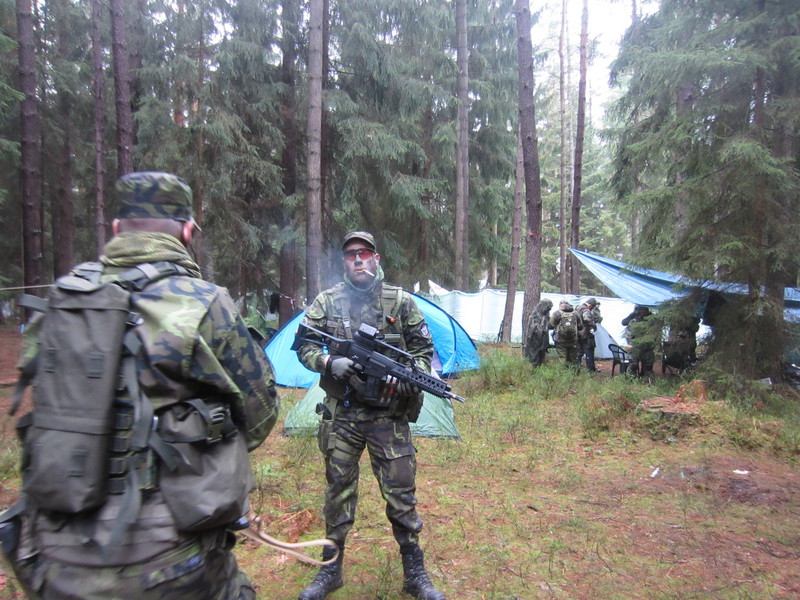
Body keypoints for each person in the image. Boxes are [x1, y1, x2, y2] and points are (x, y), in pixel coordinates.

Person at [9, 172, 281, 599]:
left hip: (54, 551)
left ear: (117, 227)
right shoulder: (202, 301)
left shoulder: (64, 297)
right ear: (187, 232)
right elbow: (261, 415)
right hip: (166, 554)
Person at [295, 231, 446, 600]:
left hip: (388, 416)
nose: (358, 259)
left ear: (376, 258)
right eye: (351, 255)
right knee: (338, 492)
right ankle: (330, 570)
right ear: (344, 262)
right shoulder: (327, 301)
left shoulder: (401, 301)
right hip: (343, 415)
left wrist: (413, 376)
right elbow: (304, 345)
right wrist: (329, 361)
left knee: (401, 494)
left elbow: (424, 351)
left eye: (364, 253)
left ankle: (414, 573)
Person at [622, 304, 655, 376]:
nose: (642, 312)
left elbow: (655, 335)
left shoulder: (651, 320)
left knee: (648, 366)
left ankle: (646, 377)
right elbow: (628, 334)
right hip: (635, 347)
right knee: (633, 365)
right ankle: (632, 378)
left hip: (647, 347)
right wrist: (631, 344)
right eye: (641, 310)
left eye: (644, 310)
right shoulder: (634, 321)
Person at [548, 299, 583, 365]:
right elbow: (581, 326)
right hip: (573, 340)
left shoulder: (557, 313)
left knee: (562, 359)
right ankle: (572, 371)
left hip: (560, 340)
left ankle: (562, 371)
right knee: (573, 359)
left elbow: (550, 326)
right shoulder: (575, 313)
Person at [524, 298, 553, 367]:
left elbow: (548, 325)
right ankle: (534, 368)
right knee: (534, 355)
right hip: (535, 338)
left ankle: (539, 367)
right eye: (548, 308)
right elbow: (531, 329)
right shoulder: (534, 315)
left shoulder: (545, 315)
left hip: (543, 337)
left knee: (541, 353)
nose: (549, 310)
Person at [576, 298, 602, 372]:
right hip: (586, 333)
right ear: (590, 305)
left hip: (578, 333)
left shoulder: (578, 308)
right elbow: (587, 319)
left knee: (579, 352)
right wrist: (593, 325)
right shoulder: (586, 310)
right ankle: (591, 369)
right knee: (589, 351)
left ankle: (576, 368)